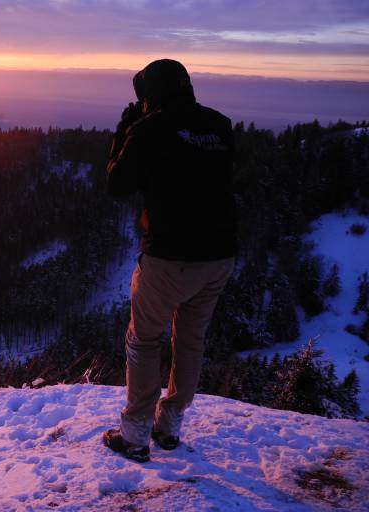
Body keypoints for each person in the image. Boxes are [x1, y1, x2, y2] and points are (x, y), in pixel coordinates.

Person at [102, 59, 237, 462]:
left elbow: (116, 183)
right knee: (190, 341)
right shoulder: (220, 126)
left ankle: (135, 434)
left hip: (169, 256)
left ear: (149, 93)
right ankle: (170, 425)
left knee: (143, 341)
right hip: (219, 256)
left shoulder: (149, 129)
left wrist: (125, 131)